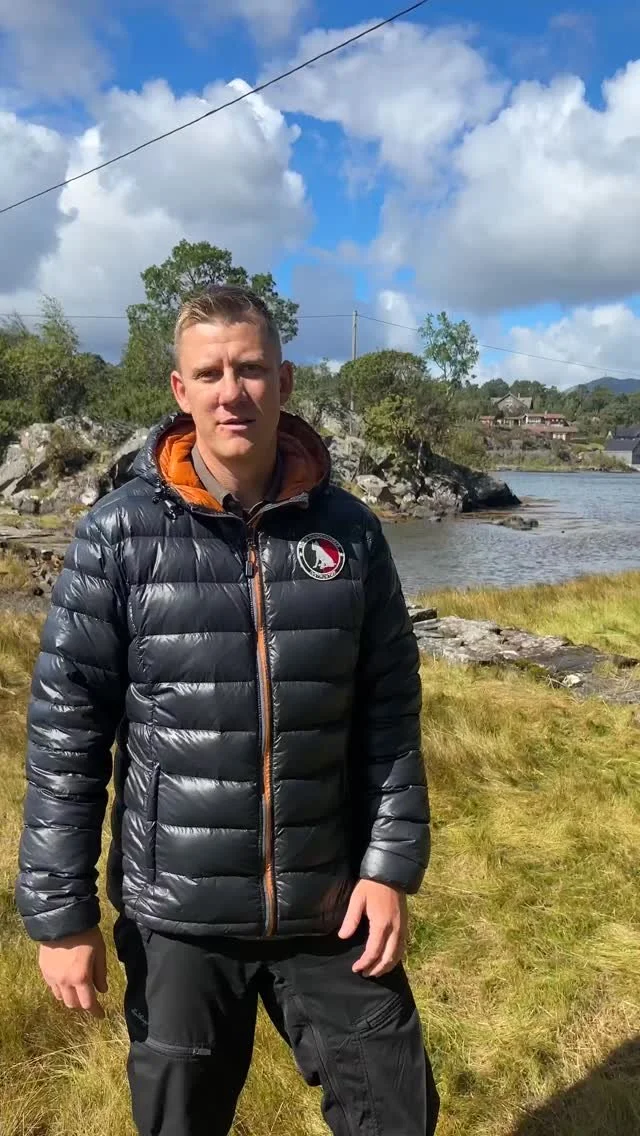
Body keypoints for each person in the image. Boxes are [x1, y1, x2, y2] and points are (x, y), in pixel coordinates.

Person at [15, 285, 439, 1136]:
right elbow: (68, 735)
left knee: (398, 1114)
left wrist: (389, 867)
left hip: (330, 902)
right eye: (209, 374)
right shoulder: (117, 536)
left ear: (285, 379)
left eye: (249, 369)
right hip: (177, 915)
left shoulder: (351, 533)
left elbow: (390, 712)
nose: (230, 392)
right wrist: (61, 914)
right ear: (181, 390)